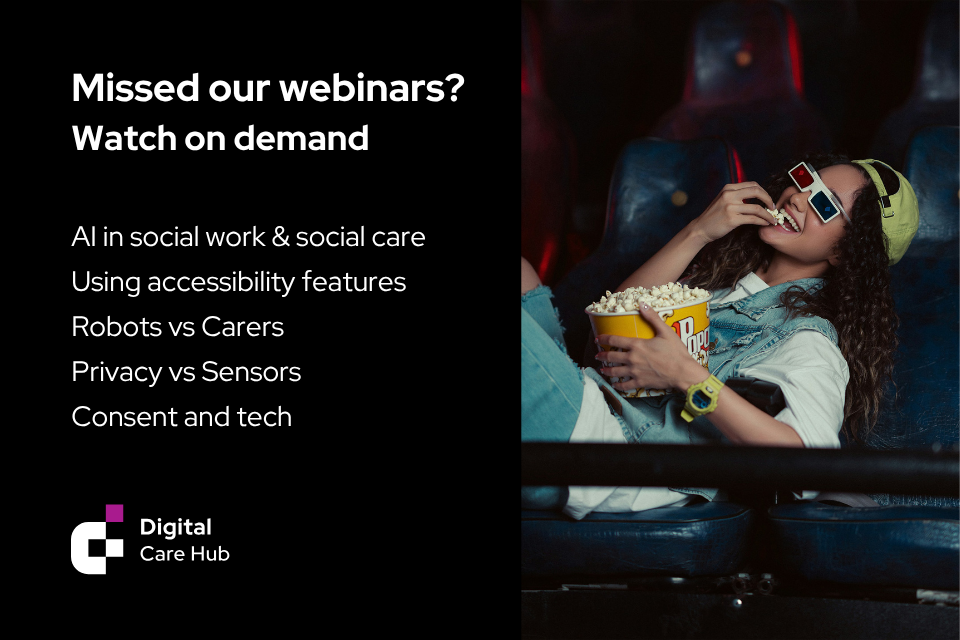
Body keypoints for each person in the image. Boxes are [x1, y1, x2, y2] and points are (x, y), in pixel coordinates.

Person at [521, 153, 919, 519]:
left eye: (825, 205)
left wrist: (687, 376)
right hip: (591, 400)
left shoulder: (807, 337)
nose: (798, 198)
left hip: (613, 455)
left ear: (847, 254)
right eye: (804, 179)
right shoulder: (720, 289)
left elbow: (806, 464)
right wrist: (698, 232)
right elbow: (602, 344)